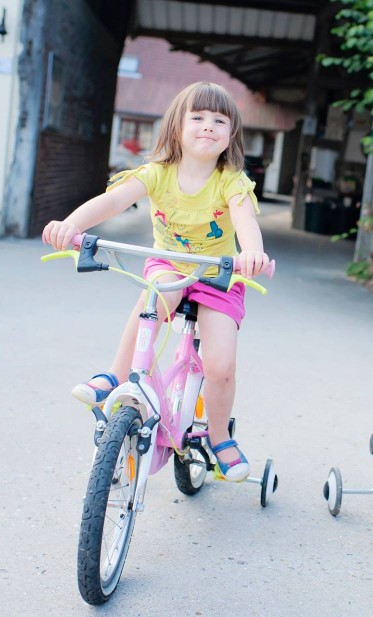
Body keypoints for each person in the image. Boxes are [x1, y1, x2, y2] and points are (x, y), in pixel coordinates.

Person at [42, 81, 270, 482]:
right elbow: (112, 201)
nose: (208, 126)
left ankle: (219, 437)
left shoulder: (230, 182)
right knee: (156, 299)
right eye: (197, 117)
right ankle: (116, 374)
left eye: (220, 120)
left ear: (230, 134)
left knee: (220, 365)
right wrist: (72, 224)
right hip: (170, 263)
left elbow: (245, 222)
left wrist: (251, 253)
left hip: (220, 273)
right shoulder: (156, 174)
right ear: (176, 128)